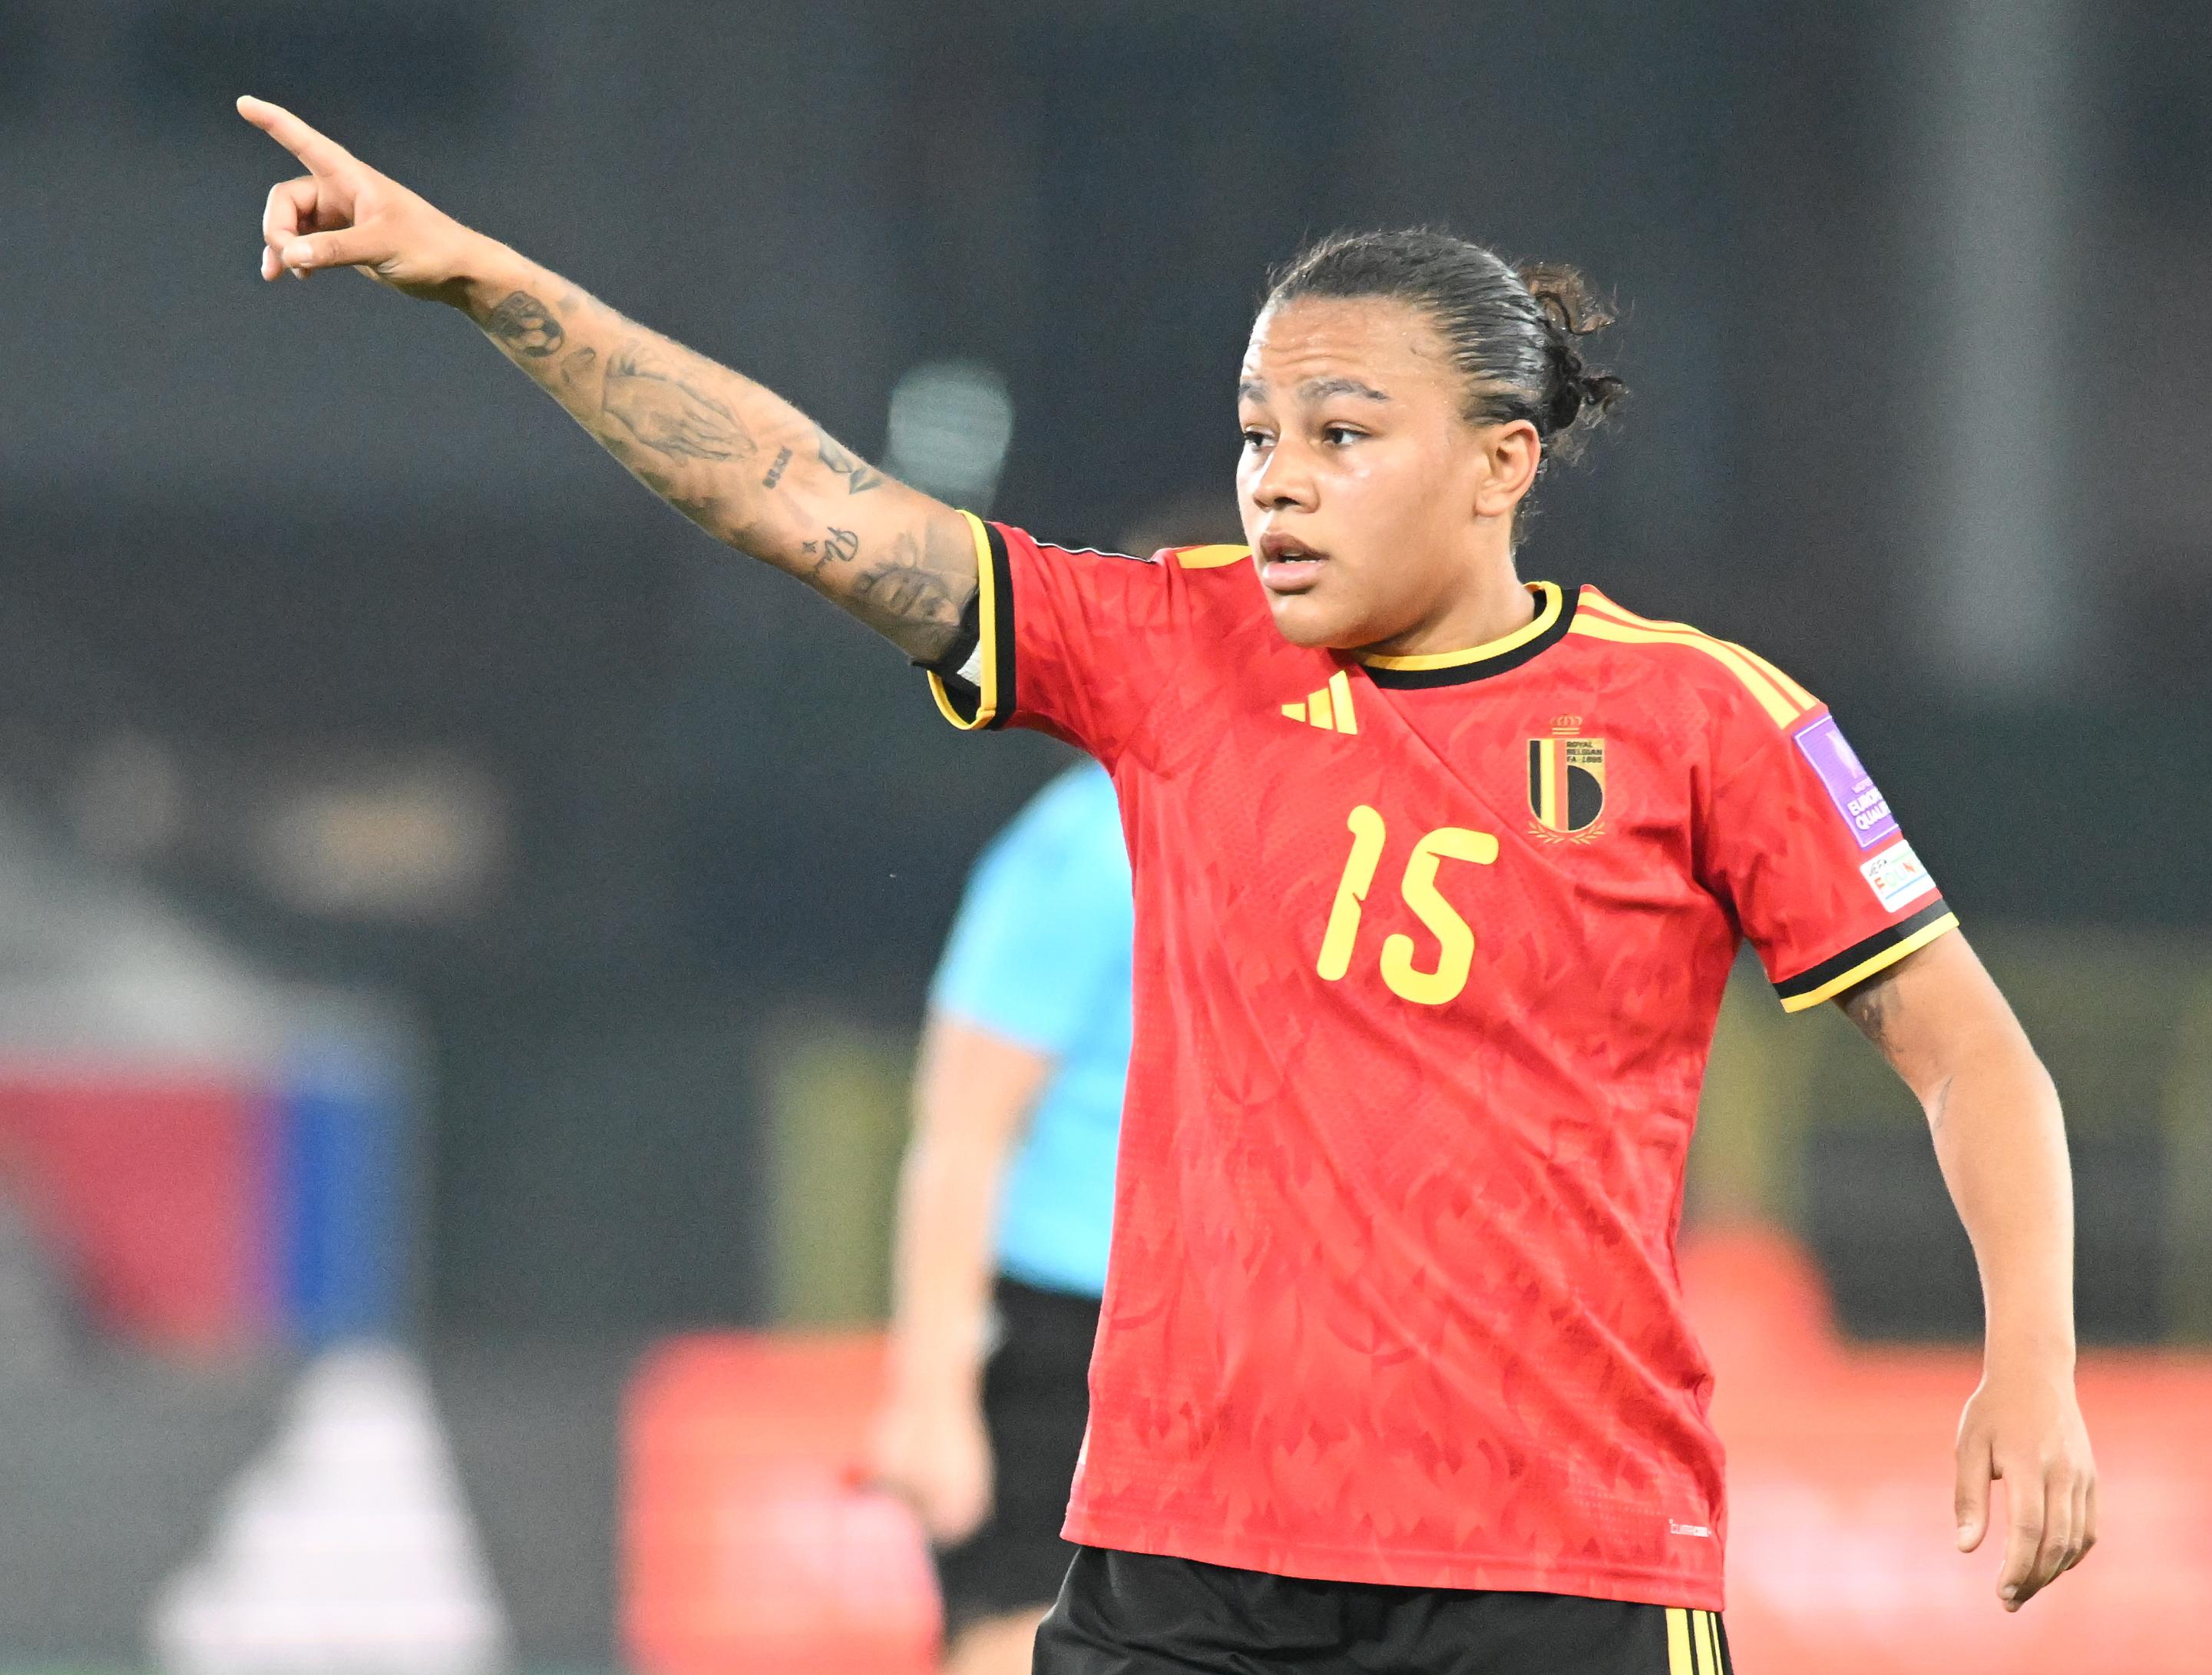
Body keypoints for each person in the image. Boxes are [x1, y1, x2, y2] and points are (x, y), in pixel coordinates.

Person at [239, 96, 2098, 1674]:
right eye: (1254, 431)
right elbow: (803, 499)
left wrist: (2028, 1359)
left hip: (1555, 1567)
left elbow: (1966, 1053)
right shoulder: (1168, 651)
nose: (1275, 482)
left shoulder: (1701, 717)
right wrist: (484, 280)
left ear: (1497, 465)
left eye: (1340, 436)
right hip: (1187, 1564)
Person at [871, 756, 1132, 1675]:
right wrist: (931, 1397)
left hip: (1217, 1331)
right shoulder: (1089, 844)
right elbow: (960, 1131)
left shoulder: (1275, 820)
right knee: (1021, 1635)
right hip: (1060, 1333)